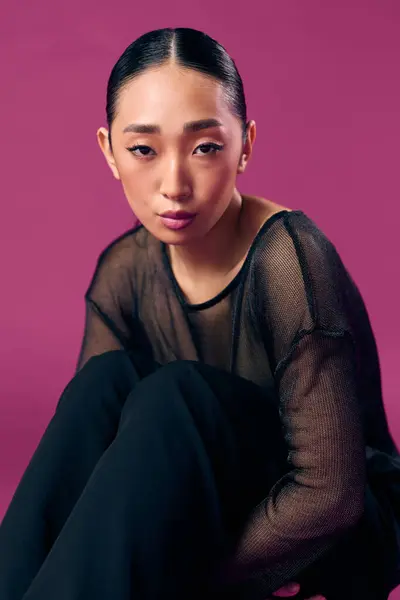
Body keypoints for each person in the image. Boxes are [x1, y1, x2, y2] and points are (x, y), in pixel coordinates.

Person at [0, 26, 399, 600]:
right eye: (143, 149)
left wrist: (189, 576)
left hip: (330, 525)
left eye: (205, 147)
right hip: (195, 501)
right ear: (109, 153)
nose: (174, 185)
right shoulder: (125, 268)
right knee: (103, 386)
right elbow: (95, 460)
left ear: (246, 145)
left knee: (175, 394)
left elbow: (330, 496)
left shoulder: (290, 256)